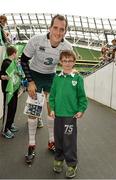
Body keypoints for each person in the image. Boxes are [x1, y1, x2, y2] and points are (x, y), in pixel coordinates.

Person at [20, 14, 73, 161]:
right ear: (50, 27)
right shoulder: (36, 41)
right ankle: (31, 145)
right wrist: (30, 81)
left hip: (51, 78)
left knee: (52, 111)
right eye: (55, 28)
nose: (58, 32)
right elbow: (23, 60)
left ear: (65, 31)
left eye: (62, 29)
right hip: (35, 76)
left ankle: (51, 141)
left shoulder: (67, 47)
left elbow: (67, 68)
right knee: (34, 112)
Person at [49, 50, 88, 178]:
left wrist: (81, 110)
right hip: (58, 115)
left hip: (70, 116)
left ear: (74, 62)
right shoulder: (57, 78)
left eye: (70, 61)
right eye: (65, 61)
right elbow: (52, 96)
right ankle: (58, 159)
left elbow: (82, 97)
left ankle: (72, 164)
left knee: (69, 141)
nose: (67, 63)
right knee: (58, 139)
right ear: (61, 62)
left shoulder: (77, 78)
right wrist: (52, 109)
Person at [0, 46, 19, 139]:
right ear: (14, 53)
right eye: (17, 53)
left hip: (14, 89)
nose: (17, 55)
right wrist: (4, 77)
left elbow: (16, 75)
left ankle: (10, 125)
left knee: (13, 108)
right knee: (8, 109)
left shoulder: (14, 63)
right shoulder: (6, 62)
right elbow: (1, 74)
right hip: (8, 91)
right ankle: (4, 129)